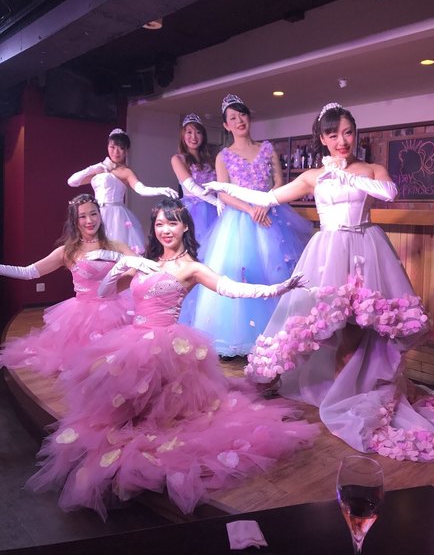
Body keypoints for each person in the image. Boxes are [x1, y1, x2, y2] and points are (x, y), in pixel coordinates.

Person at [27, 198, 318, 519]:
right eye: (160, 224)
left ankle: (141, 460)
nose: (165, 230)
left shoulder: (191, 267)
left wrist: (278, 288)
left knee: (165, 417)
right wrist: (122, 266)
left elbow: (231, 289)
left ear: (185, 227)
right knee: (119, 408)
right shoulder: (146, 261)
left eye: (173, 223)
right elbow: (104, 292)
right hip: (132, 341)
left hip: (168, 347)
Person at [206, 102, 434, 462]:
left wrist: (346, 176)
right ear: (322, 138)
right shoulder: (311, 176)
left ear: (355, 133)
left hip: (366, 248)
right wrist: (221, 186)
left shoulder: (372, 169)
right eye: (333, 135)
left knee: (368, 326)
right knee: (326, 327)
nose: (341, 141)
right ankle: (337, 388)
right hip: (329, 252)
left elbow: (389, 193)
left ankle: (360, 388)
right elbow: (267, 198)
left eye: (347, 132)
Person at [180, 94, 313, 358]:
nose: (239, 120)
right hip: (239, 220)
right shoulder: (223, 156)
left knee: (276, 271)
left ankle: (282, 337)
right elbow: (223, 193)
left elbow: (280, 182)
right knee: (242, 272)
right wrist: (251, 209)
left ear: (249, 118)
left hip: (271, 214)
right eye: (233, 117)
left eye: (242, 115)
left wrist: (267, 203)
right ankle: (242, 339)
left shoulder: (267, 148)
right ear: (226, 125)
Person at [0, 194, 136, 376]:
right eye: (82, 216)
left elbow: (139, 268)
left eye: (93, 214)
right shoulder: (67, 251)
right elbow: (28, 272)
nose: (90, 221)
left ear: (100, 215)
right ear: (75, 220)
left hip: (116, 310)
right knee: (89, 366)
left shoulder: (116, 246)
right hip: (83, 315)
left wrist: (119, 282)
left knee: (123, 362)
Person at [68, 128, 178, 253]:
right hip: (96, 213)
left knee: (115, 250)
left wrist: (161, 190)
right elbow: (72, 182)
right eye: (112, 147)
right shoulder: (99, 169)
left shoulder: (126, 172)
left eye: (121, 148)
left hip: (115, 215)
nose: (116, 152)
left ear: (126, 151)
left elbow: (141, 189)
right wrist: (94, 168)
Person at [171, 113, 220, 245]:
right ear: (183, 135)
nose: (193, 137)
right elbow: (191, 186)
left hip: (214, 209)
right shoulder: (178, 159)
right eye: (189, 132)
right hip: (192, 209)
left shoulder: (210, 160)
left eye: (198, 132)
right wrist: (216, 202)